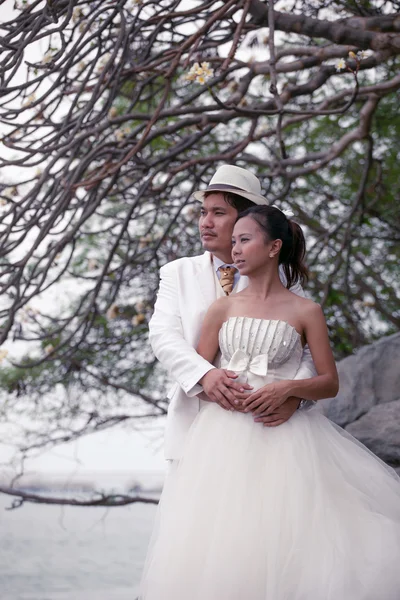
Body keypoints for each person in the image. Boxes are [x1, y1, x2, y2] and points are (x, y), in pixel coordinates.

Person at [140, 205, 400, 600]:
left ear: (274, 246)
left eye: (245, 240)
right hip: (221, 439)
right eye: (234, 242)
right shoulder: (222, 307)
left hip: (286, 436)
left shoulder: (306, 310)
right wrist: (216, 385)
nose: (236, 250)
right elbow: (200, 369)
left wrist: (288, 391)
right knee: (221, 538)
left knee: (290, 535)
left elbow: (329, 382)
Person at [148, 164, 315, 463]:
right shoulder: (178, 272)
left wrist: (295, 396)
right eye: (203, 212)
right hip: (198, 425)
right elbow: (163, 336)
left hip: (272, 427)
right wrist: (205, 375)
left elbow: (307, 350)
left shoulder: (284, 280)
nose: (206, 222)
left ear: (246, 219)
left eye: (218, 213)